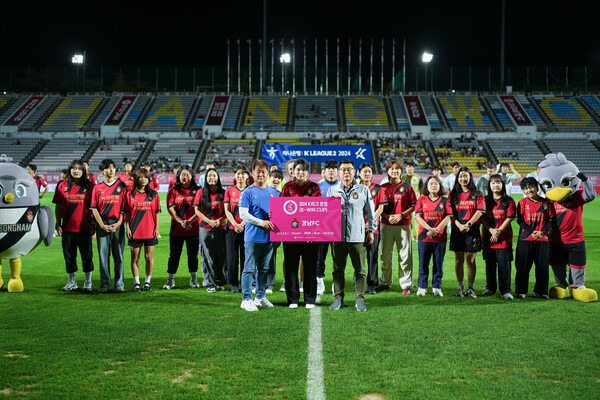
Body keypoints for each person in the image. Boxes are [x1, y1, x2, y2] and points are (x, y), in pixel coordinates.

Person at [327, 160, 377, 312]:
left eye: (349, 169)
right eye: (343, 170)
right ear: (338, 173)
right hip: (337, 237)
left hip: (357, 237)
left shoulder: (363, 190)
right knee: (337, 269)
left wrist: (371, 231)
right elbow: (326, 215)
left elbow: (370, 213)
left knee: (360, 270)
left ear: (354, 172)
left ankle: (359, 299)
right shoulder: (332, 191)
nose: (346, 172)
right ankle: (338, 298)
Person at [238, 159, 279, 312]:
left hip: (269, 238)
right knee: (249, 268)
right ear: (253, 174)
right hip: (252, 237)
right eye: (258, 171)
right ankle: (246, 298)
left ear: (267, 174)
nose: (261, 174)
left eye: (264, 172)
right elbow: (243, 214)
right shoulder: (247, 192)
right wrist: (262, 222)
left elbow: (279, 215)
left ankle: (260, 297)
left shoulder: (274, 192)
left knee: (263, 269)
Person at [281, 158, 321, 309]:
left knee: (310, 266)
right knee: (291, 266)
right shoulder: (287, 187)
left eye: (304, 170)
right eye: (298, 170)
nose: (301, 172)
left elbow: (316, 211)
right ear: (294, 172)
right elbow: (282, 210)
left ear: (308, 173)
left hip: (310, 234)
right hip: (290, 233)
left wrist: (311, 231)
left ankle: (310, 299)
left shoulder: (315, 187)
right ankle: (293, 299)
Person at [53, 159, 94, 291]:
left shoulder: (90, 187)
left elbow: (94, 208)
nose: (76, 171)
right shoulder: (62, 186)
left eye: (79, 168)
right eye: (74, 168)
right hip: (67, 228)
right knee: (69, 256)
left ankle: (88, 282)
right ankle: (72, 281)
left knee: (87, 255)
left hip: (84, 228)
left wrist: (93, 224)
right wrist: (58, 223)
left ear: (84, 171)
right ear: (70, 170)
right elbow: (58, 207)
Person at [378, 159, 417, 294]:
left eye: (397, 169)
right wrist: (388, 216)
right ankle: (385, 282)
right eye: (391, 169)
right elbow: (378, 207)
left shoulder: (407, 187)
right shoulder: (382, 188)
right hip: (386, 225)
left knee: (405, 256)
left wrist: (400, 215)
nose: (394, 171)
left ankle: (406, 285)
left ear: (401, 171)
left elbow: (413, 206)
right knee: (385, 255)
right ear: (387, 171)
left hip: (403, 225)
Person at [90, 159, 128, 293]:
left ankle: (119, 283)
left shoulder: (122, 186)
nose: (111, 170)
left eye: (113, 167)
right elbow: (94, 209)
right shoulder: (97, 188)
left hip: (117, 224)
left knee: (119, 256)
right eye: (108, 168)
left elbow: (124, 208)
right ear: (102, 171)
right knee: (103, 256)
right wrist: (102, 225)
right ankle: (105, 284)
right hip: (102, 225)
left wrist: (118, 223)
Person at [515, 177, 554, 299]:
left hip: (543, 240)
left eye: (531, 187)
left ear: (537, 187)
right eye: (526, 189)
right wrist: (531, 232)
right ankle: (521, 291)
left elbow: (552, 220)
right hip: (526, 239)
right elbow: (520, 220)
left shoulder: (546, 203)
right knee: (522, 266)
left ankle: (541, 292)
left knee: (542, 267)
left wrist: (542, 232)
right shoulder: (522, 203)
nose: (529, 190)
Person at [449, 167, 485, 298]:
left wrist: (468, 224)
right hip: (457, 228)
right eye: (460, 176)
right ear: (457, 178)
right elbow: (450, 213)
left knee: (470, 260)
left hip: (472, 229)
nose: (463, 179)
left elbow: (480, 211)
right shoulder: (453, 194)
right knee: (459, 260)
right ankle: (460, 288)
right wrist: (459, 225)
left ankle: (470, 288)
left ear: (470, 177)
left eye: (465, 176)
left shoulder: (477, 194)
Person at [123, 168, 161, 291]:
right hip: (135, 231)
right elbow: (127, 213)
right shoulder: (130, 195)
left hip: (150, 230)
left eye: (145, 177)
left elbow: (156, 213)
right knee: (135, 258)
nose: (143, 179)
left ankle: (147, 282)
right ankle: (137, 283)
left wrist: (157, 228)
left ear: (149, 178)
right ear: (136, 179)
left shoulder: (154, 194)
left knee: (149, 258)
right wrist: (127, 228)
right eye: (140, 177)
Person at [414, 176, 452, 297]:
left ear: (440, 186)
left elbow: (448, 217)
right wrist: (429, 229)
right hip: (424, 237)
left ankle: (437, 287)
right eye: (431, 184)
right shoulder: (421, 200)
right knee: (423, 263)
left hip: (440, 238)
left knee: (438, 263)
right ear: (426, 186)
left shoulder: (445, 201)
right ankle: (422, 287)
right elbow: (418, 217)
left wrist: (437, 230)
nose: (433, 186)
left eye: (436, 184)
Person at [163, 165, 200, 290]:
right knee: (174, 255)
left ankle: (193, 278)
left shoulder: (198, 190)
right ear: (178, 176)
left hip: (194, 228)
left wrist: (189, 221)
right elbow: (170, 208)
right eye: (182, 174)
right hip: (177, 229)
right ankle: (170, 279)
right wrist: (181, 221)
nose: (185, 177)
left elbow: (200, 209)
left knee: (193, 255)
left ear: (192, 176)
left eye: (187, 175)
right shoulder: (173, 190)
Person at [480, 174, 516, 299]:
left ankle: (505, 290)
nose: (496, 185)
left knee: (504, 265)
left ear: (502, 185)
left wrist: (498, 231)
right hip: (488, 238)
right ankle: (490, 288)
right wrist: (491, 230)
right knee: (489, 264)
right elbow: (482, 217)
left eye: (498, 183)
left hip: (503, 238)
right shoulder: (485, 200)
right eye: (493, 183)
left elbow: (510, 218)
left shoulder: (509, 201)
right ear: (489, 185)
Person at [194, 167, 227, 293]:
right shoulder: (200, 192)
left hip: (221, 228)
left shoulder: (223, 193)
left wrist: (220, 220)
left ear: (218, 178)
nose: (211, 178)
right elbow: (197, 210)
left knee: (221, 256)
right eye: (209, 176)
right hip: (205, 228)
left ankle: (220, 281)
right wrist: (209, 221)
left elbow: (227, 211)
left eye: (214, 176)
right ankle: (209, 283)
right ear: (205, 179)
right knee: (207, 256)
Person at [358, 162, 386, 295]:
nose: (367, 174)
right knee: (358, 256)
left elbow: (381, 207)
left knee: (372, 256)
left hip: (373, 229)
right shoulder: (355, 188)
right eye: (364, 171)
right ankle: (359, 281)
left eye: (369, 171)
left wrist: (370, 221)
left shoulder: (379, 189)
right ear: (359, 173)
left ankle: (372, 284)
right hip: (357, 228)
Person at [223, 165, 249, 293]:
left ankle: (245, 283)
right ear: (235, 176)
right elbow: (226, 211)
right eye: (238, 174)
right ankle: (233, 284)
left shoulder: (250, 190)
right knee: (232, 257)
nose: (240, 176)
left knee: (245, 257)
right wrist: (235, 223)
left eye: (243, 174)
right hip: (232, 229)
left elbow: (253, 210)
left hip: (247, 228)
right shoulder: (229, 191)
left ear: (247, 176)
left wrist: (243, 223)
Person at [316, 159, 339, 295]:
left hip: (337, 228)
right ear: (325, 171)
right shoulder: (318, 187)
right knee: (320, 257)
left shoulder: (342, 186)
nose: (331, 170)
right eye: (329, 168)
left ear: (337, 171)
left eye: (334, 168)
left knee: (337, 257)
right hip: (321, 228)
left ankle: (336, 283)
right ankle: (320, 283)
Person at [265, 168, 284, 293]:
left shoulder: (282, 195)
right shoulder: (262, 191)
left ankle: (269, 285)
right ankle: (257, 283)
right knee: (258, 258)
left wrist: (280, 236)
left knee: (271, 259)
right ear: (269, 178)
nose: (276, 179)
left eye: (279, 178)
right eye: (274, 177)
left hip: (274, 231)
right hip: (260, 229)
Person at [402, 161, 424, 238]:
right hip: (406, 202)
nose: (408, 169)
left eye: (410, 167)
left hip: (416, 202)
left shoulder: (418, 178)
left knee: (417, 218)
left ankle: (418, 234)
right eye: (407, 167)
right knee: (408, 219)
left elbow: (422, 189)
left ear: (413, 168)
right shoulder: (403, 178)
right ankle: (410, 235)